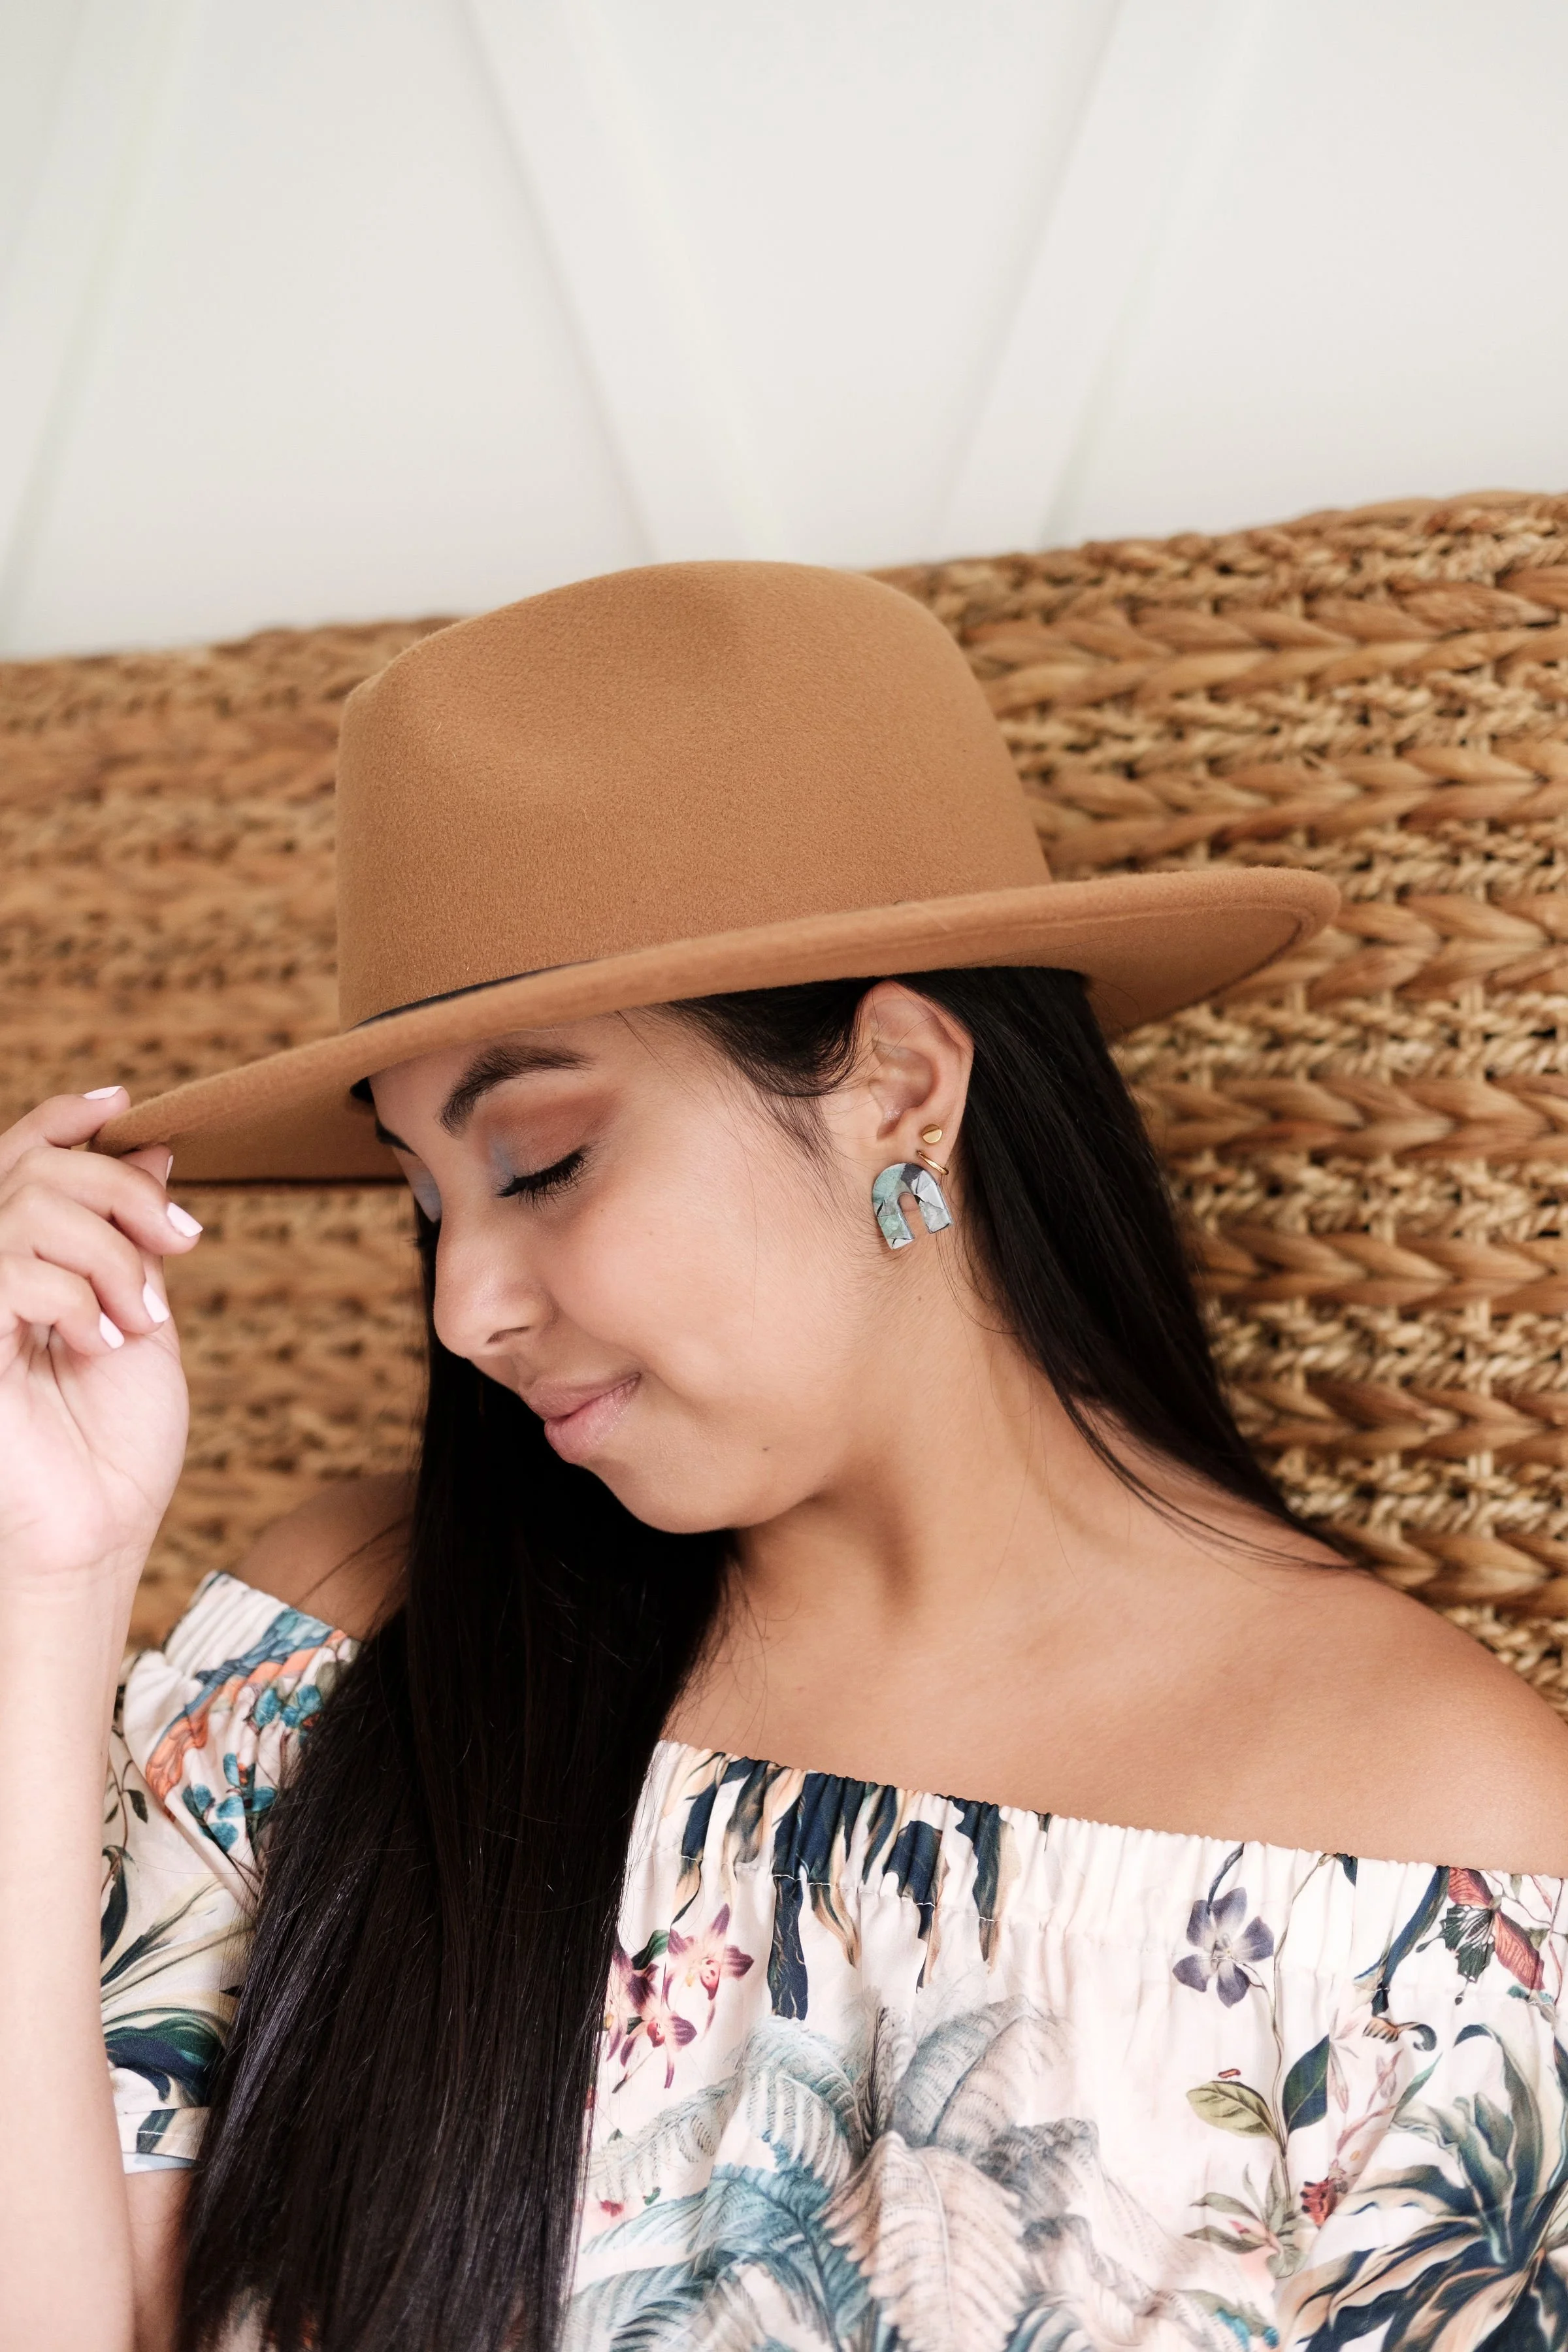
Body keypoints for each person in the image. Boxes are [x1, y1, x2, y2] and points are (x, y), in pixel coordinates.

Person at [3, 563, 1567, 2352]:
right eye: (421, 1200)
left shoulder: (1431, 1854)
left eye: (539, 1163)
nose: (463, 1307)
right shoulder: (342, 1655)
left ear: (900, 1083)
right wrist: (42, 1596)